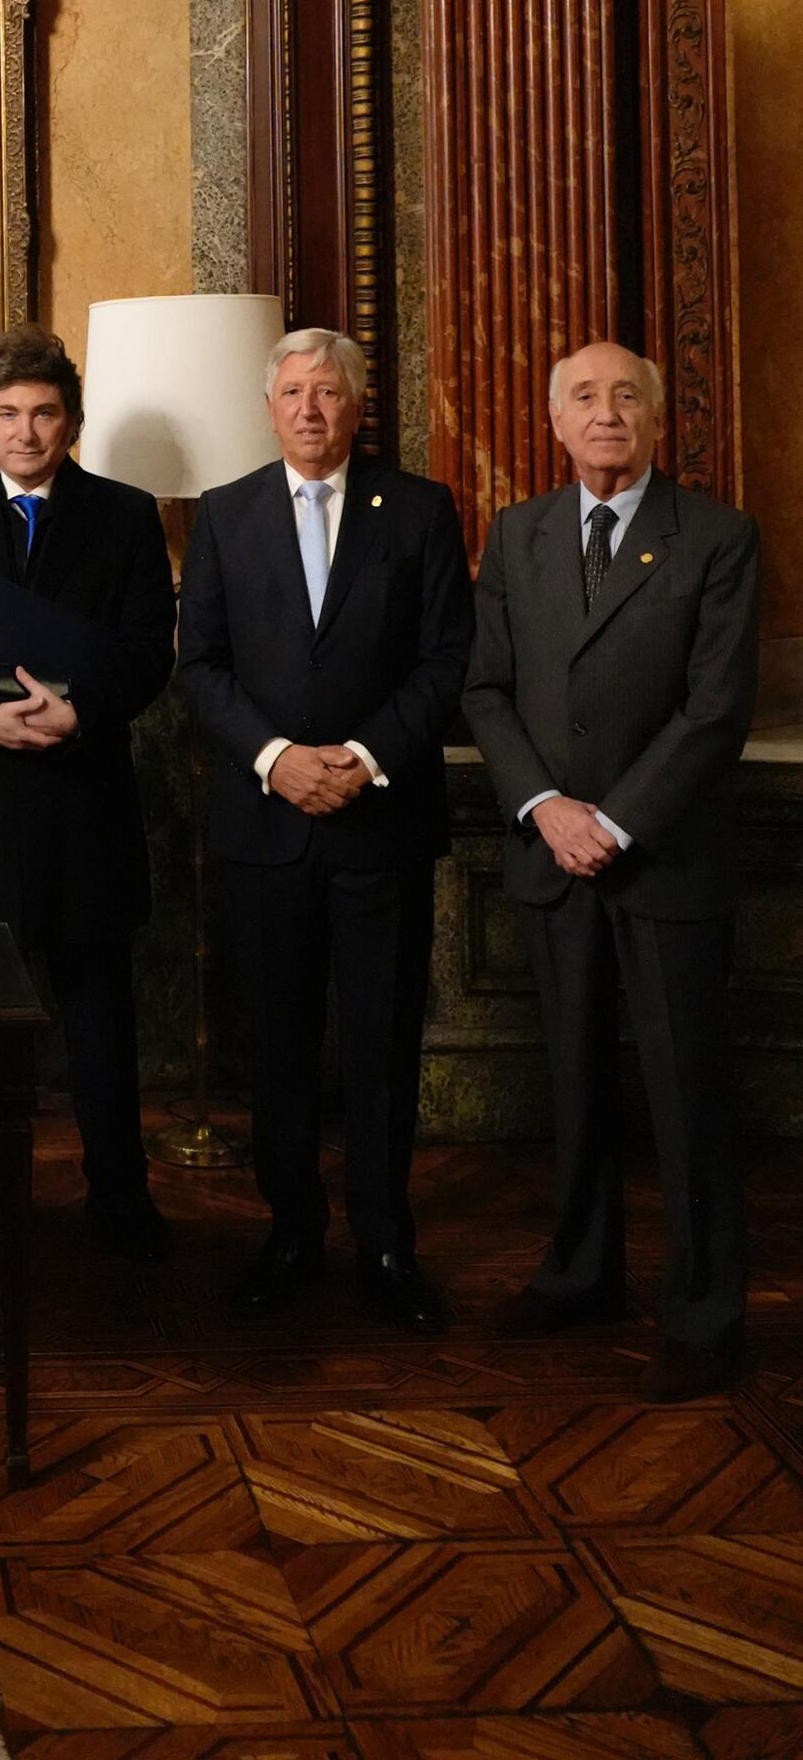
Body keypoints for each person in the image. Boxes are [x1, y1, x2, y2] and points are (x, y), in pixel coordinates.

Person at [464, 340, 761, 1398]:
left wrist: (616, 821)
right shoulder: (518, 533)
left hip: (663, 857)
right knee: (576, 1078)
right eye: (584, 397)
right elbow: (487, 690)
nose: (606, 413)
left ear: (656, 421)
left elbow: (716, 708)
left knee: (687, 1093)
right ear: (553, 421)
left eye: (625, 395)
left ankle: (705, 1307)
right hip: (555, 853)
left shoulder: (717, 537)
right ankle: (581, 1272)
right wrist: (548, 808)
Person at [176, 327, 474, 1332]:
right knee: (282, 1045)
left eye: (329, 392)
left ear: (357, 406)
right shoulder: (225, 514)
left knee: (383, 1042)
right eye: (294, 391)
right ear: (270, 407)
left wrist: (361, 758)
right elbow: (202, 667)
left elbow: (445, 660)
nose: (311, 408)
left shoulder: (421, 510)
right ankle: (291, 1229)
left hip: (379, 820)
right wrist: (276, 759)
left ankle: (387, 1239)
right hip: (267, 826)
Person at [0, 322, 177, 1263]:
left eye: (44, 412)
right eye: (7, 413)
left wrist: (80, 711)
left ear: (72, 419)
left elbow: (146, 652)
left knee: (99, 1019)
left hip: (82, 801)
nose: (26, 431)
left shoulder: (126, 515)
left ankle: (120, 1195)